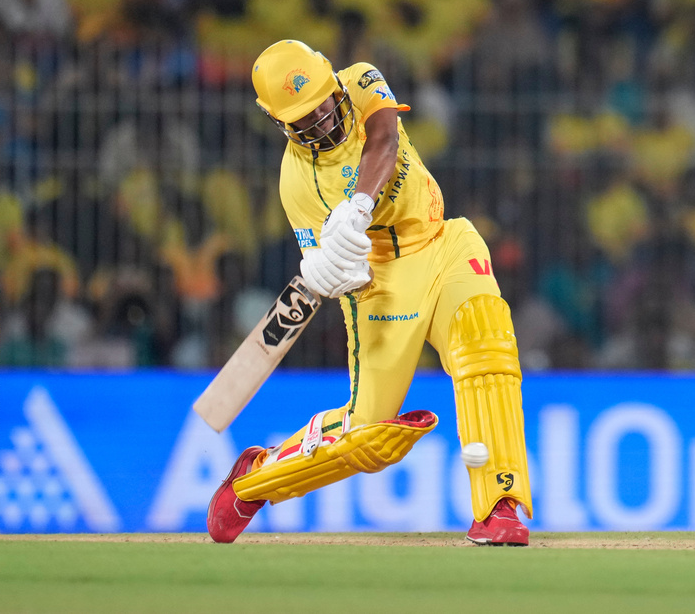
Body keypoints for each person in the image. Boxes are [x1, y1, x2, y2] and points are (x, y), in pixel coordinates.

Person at [206, 40, 533, 546]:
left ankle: (499, 504)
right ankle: (256, 480)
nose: (324, 125)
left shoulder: (360, 79)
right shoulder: (299, 187)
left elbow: (383, 139)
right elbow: (337, 277)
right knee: (371, 439)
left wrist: (358, 207)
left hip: (442, 241)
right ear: (279, 124)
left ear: (334, 84)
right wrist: (334, 268)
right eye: (305, 123)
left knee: (486, 346)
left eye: (325, 107)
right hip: (382, 281)